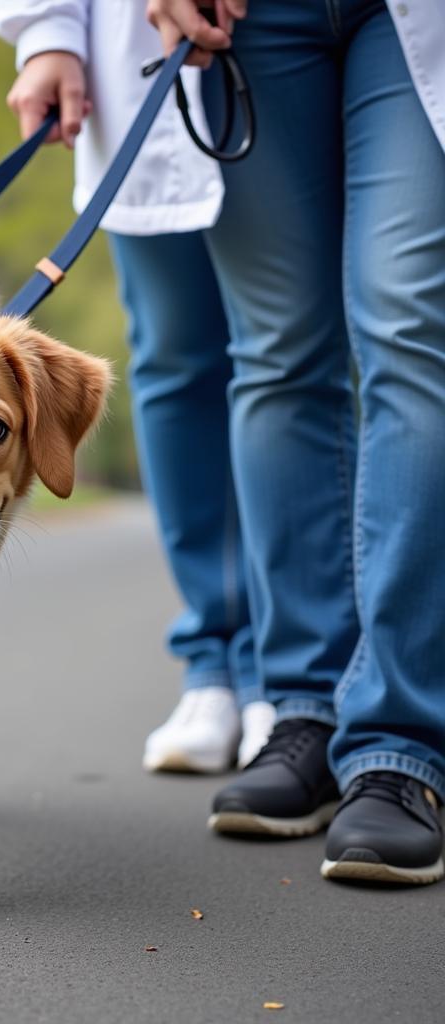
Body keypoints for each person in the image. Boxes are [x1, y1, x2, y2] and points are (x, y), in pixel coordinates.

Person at [144, 0, 445, 885]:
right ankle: (303, 708)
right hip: (251, 18)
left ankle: (401, 743)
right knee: (276, 352)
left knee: (407, 324)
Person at [0, 1, 275, 774]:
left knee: (286, 359)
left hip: (288, 46)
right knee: (176, 361)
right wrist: (46, 34)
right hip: (133, 55)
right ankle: (214, 662)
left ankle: (286, 673)